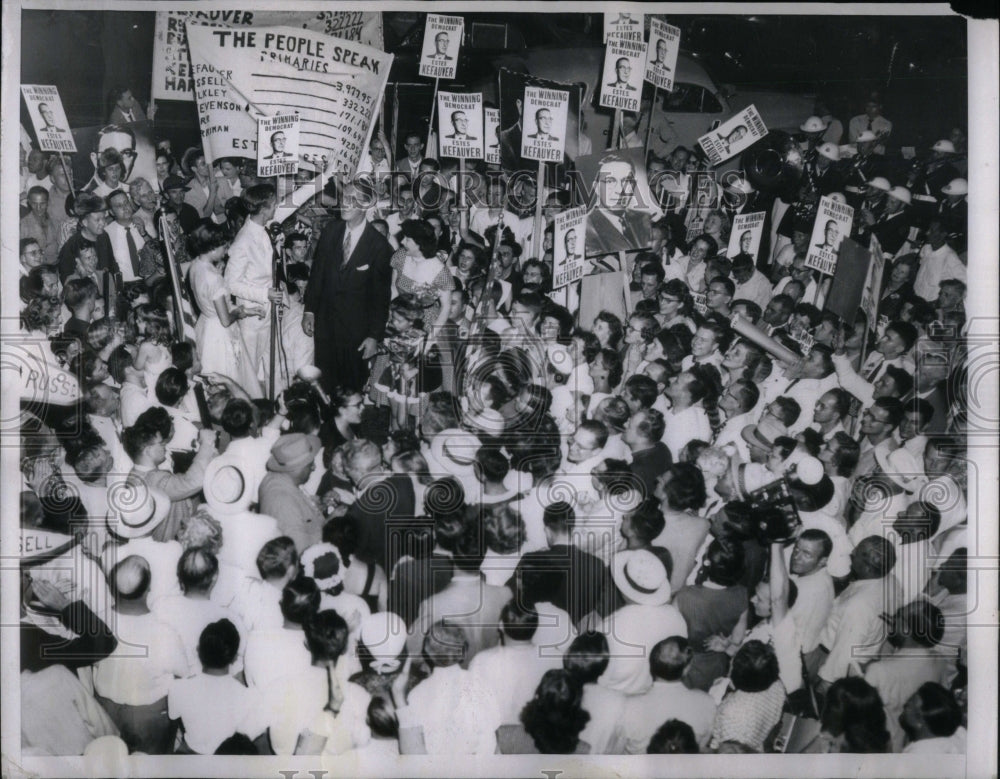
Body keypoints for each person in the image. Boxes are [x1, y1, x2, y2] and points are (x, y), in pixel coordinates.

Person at [303, 183, 394, 392]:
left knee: (351, 388)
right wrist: (309, 310)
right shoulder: (330, 230)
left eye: (353, 200)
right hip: (325, 326)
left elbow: (381, 297)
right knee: (324, 385)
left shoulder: (379, 245)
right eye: (344, 198)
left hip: (357, 333)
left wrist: (374, 336)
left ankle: (349, 425)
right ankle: (326, 422)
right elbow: (317, 274)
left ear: (366, 204)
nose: (345, 204)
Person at [187, 221, 262, 395]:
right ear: (213, 248)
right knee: (228, 380)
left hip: (205, 323)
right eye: (223, 247)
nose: (226, 251)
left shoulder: (195, 266)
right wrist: (241, 311)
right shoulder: (214, 278)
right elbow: (226, 320)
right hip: (220, 334)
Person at [225, 183, 283, 387]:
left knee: (273, 364)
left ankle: (275, 406)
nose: (277, 207)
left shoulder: (263, 225)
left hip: (269, 313)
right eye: (274, 204)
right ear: (265, 209)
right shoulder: (243, 241)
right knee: (250, 370)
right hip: (252, 316)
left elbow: (293, 203)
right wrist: (264, 294)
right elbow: (230, 284)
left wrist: (325, 176)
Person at [620, 636, 716, 752]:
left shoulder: (629, 706)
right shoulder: (706, 702)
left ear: (652, 664)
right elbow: (701, 746)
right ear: (686, 669)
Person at [258, 433, 325, 552]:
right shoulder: (282, 501)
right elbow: (301, 550)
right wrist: (329, 527)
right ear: (296, 469)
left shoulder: (276, 478)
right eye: (310, 465)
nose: (314, 468)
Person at [585, 153, 650, 256]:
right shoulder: (585, 229)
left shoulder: (644, 219)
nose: (620, 190)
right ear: (596, 187)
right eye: (610, 181)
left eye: (626, 181)